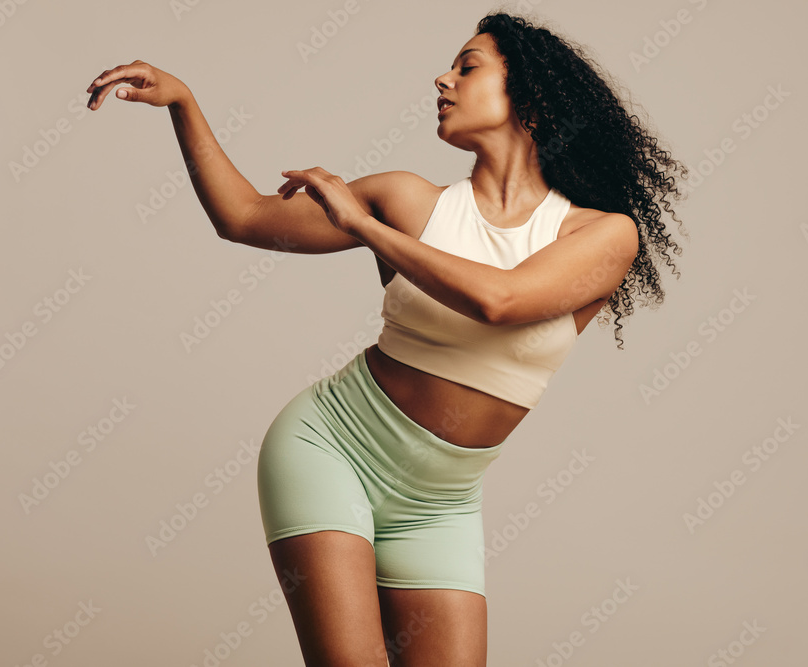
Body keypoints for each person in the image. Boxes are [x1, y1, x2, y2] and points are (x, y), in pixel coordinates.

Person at [85, 10, 687, 666]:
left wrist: (364, 227)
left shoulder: (602, 235)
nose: (443, 78)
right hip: (332, 448)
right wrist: (184, 103)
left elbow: (500, 298)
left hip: (441, 502)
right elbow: (244, 216)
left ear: (532, 101)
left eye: (467, 66)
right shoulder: (408, 200)